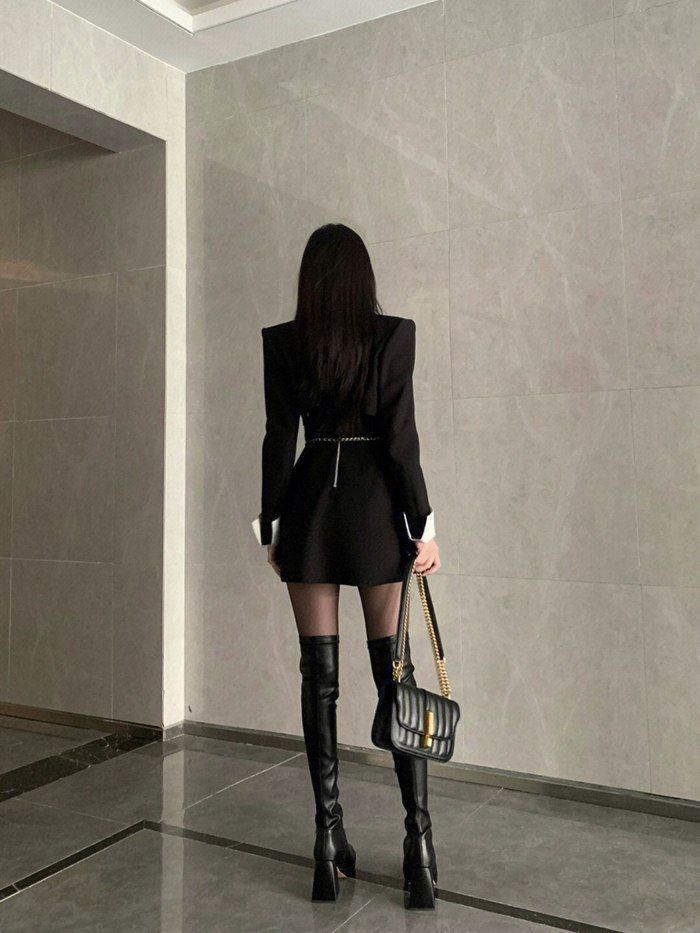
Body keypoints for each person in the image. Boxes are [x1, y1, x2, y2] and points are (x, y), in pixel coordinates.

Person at [251, 223, 441, 910]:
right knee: (396, 675)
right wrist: (423, 523)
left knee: (319, 676)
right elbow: (401, 437)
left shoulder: (285, 341)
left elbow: (280, 437)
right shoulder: (393, 335)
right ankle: (418, 847)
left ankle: (327, 841)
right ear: (364, 277)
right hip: (374, 512)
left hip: (309, 509)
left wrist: (271, 524)